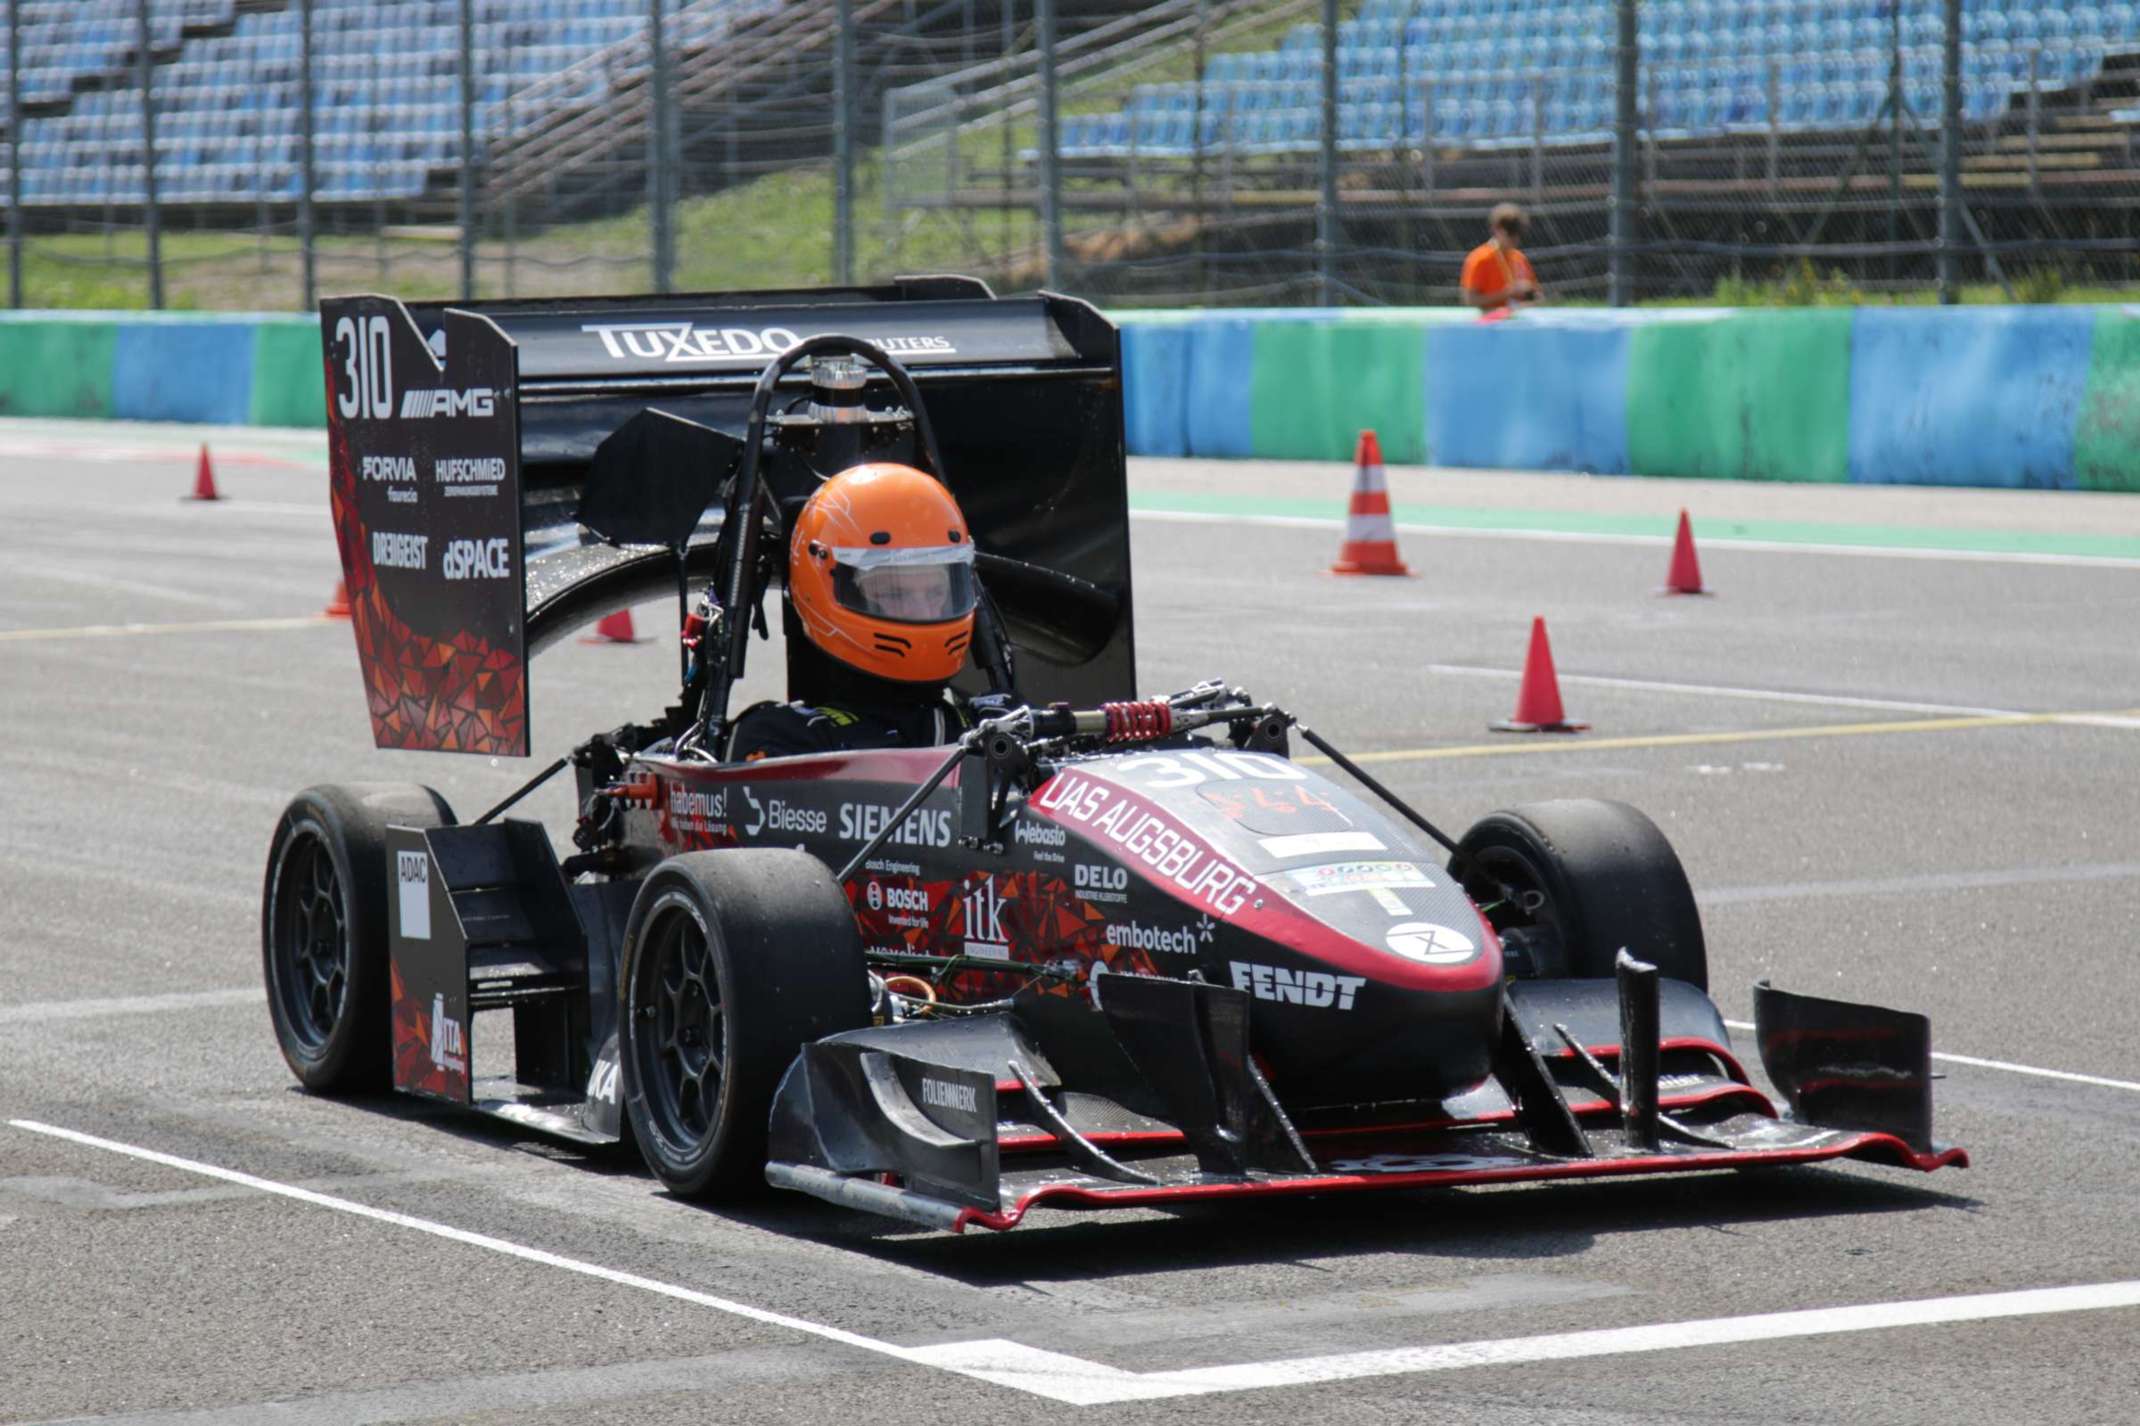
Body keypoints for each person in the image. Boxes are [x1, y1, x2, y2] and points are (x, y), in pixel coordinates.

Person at [725, 462, 983, 761]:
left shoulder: (988, 723)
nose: (923, 610)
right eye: (894, 592)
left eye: (936, 592)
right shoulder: (784, 737)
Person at [1460, 202, 1543, 318]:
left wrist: (1529, 295)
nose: (1515, 238)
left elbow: (1538, 297)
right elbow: (1470, 300)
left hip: (1516, 321)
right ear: (1496, 229)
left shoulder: (1520, 259)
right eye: (1510, 232)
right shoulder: (1480, 259)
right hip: (1489, 324)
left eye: (1518, 232)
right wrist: (1506, 294)